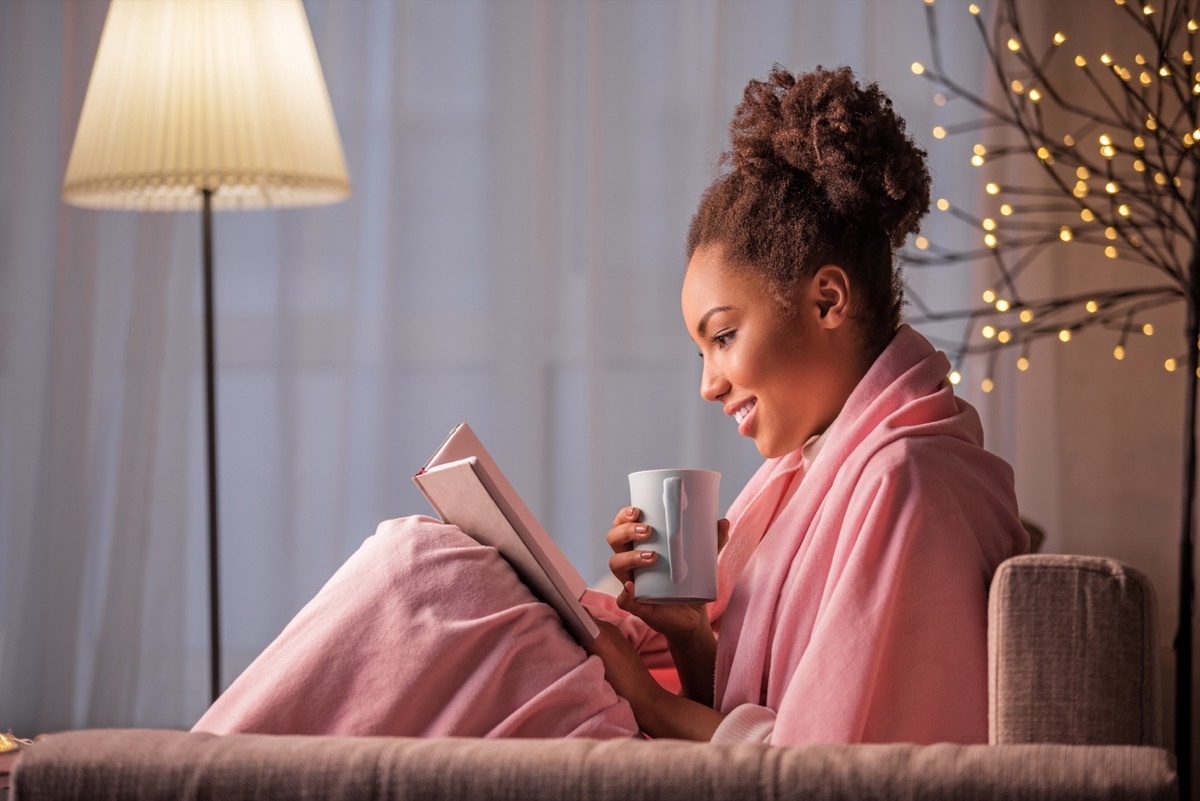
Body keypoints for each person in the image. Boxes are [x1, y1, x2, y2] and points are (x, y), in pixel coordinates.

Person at [194, 65, 1027, 745]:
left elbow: (828, 766)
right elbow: (754, 707)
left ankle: (190, 773)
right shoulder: (814, 472)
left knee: (421, 573)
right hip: (666, 743)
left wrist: (652, 701)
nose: (709, 383)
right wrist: (688, 634)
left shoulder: (908, 479)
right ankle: (198, 771)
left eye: (724, 336)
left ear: (828, 300)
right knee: (421, 568)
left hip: (666, 755)